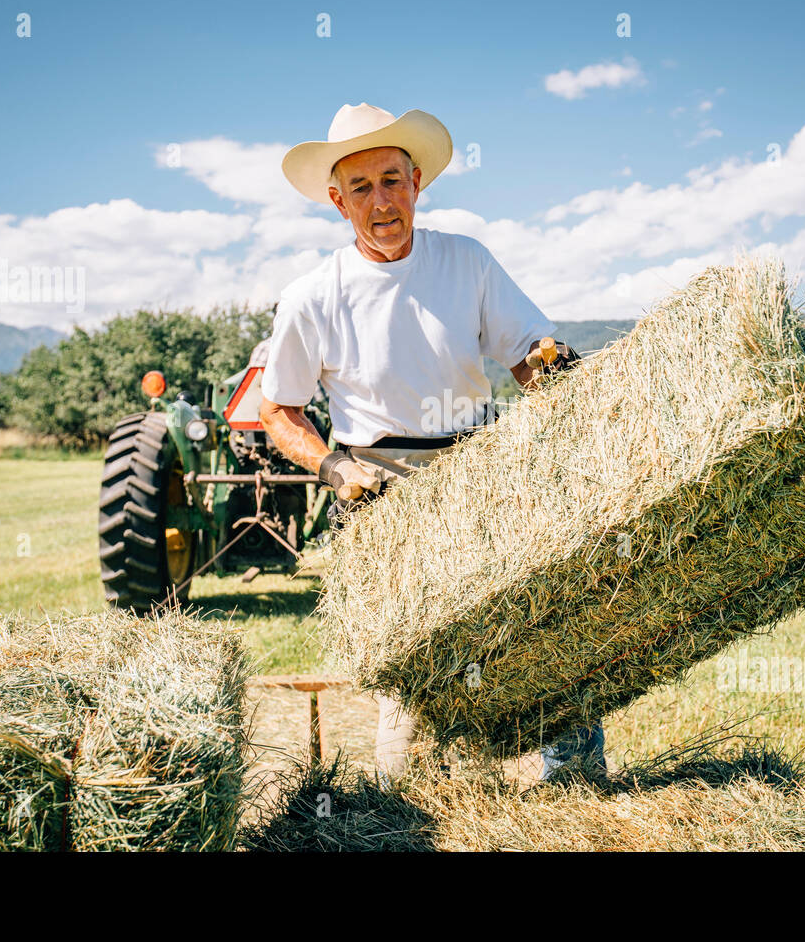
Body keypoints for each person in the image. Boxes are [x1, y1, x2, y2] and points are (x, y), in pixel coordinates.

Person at [258, 102, 604, 785]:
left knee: (539, 626)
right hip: (378, 498)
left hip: (480, 478)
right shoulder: (312, 296)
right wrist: (332, 466)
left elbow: (527, 357)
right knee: (411, 689)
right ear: (337, 201)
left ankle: (576, 773)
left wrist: (550, 362)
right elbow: (277, 410)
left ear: (417, 181)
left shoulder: (467, 262)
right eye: (361, 188)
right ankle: (413, 795)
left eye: (392, 179)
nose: (381, 201)